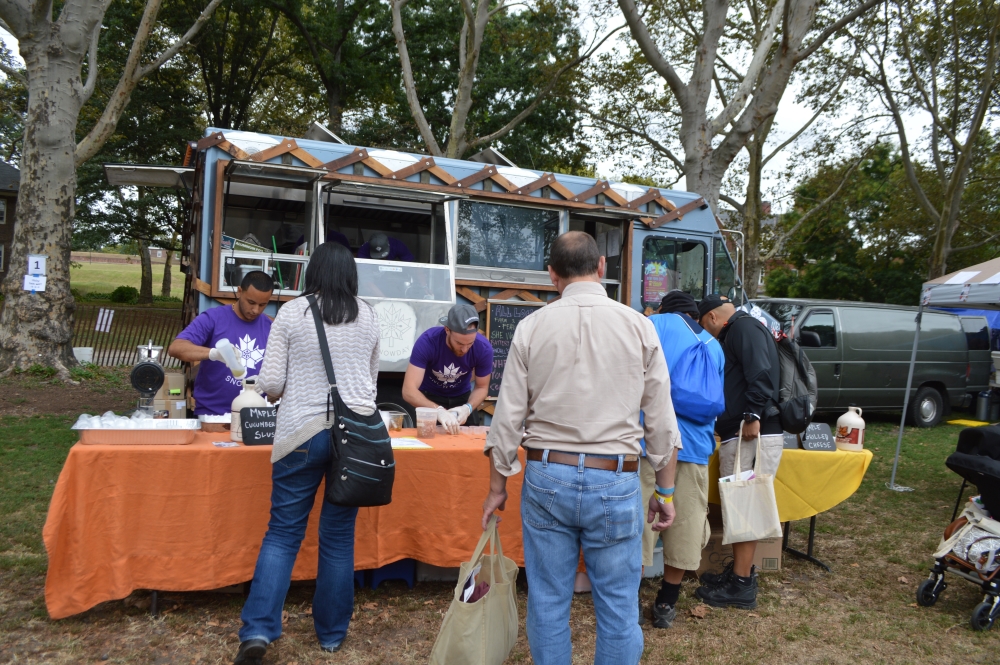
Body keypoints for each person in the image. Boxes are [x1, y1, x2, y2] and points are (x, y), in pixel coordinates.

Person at [482, 231, 681, 665]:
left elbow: (507, 418)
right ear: (603, 269)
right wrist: (665, 492)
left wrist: (497, 486)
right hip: (615, 476)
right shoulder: (638, 324)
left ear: (551, 275)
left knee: (549, 600)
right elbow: (662, 421)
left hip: (547, 472)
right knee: (617, 606)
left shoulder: (531, 326)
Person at [233, 243, 380, 664]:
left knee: (282, 533)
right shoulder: (368, 314)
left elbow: (274, 384)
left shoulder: (292, 313)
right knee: (337, 538)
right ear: (351, 275)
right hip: (353, 441)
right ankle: (332, 636)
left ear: (310, 273)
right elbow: (368, 385)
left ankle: (258, 631)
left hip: (299, 432)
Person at [640, 291, 724, 628]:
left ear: (662, 309)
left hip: (649, 445)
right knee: (685, 524)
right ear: (695, 315)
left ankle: (628, 600)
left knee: (638, 528)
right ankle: (666, 604)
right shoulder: (712, 345)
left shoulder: (648, 326)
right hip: (694, 449)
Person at [694, 293, 781, 610]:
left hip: (751, 430)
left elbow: (760, 371)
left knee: (746, 504)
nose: (707, 334)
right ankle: (741, 572)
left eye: (705, 326)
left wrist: (753, 414)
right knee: (740, 502)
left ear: (714, 318)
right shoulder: (743, 327)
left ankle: (742, 584)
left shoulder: (741, 328)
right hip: (740, 429)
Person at [169, 270, 274, 416]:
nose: (256, 310)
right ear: (239, 292)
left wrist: (267, 382)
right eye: (251, 302)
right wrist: (213, 353)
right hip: (212, 415)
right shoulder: (214, 318)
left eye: (263, 304)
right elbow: (176, 348)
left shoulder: (271, 326)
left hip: (254, 416)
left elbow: (287, 366)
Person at [402, 303, 493, 433]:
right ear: (447, 330)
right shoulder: (428, 342)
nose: (464, 349)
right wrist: (438, 410)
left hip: (462, 398)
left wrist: (467, 408)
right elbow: (408, 391)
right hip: (428, 398)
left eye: (470, 344)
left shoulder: (483, 348)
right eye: (459, 343)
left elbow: (482, 387)